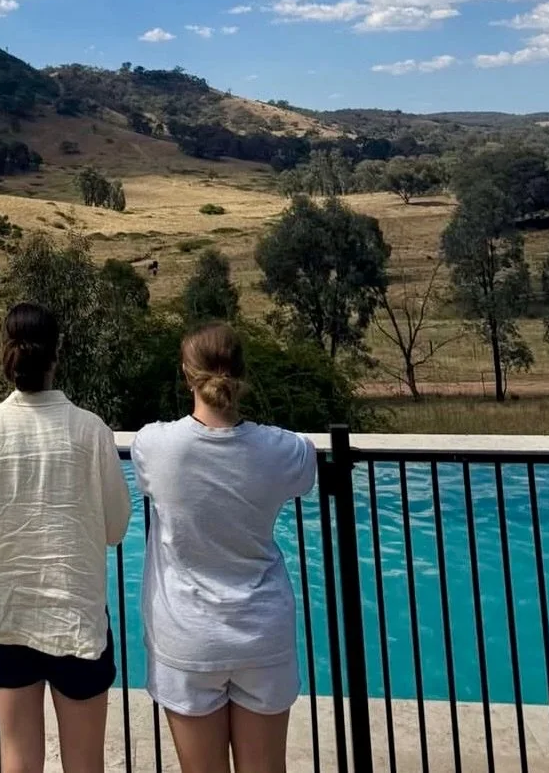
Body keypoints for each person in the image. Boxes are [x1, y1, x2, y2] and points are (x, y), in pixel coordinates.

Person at [0, 302, 133, 773]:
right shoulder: (91, 431)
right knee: (85, 765)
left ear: (7, 355)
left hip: (6, 617)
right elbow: (116, 528)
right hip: (77, 620)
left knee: (17, 760)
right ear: (57, 353)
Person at [132, 323, 317, 773]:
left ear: (187, 374)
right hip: (262, 632)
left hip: (188, 638)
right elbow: (307, 463)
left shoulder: (155, 445)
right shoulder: (281, 450)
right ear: (241, 373)